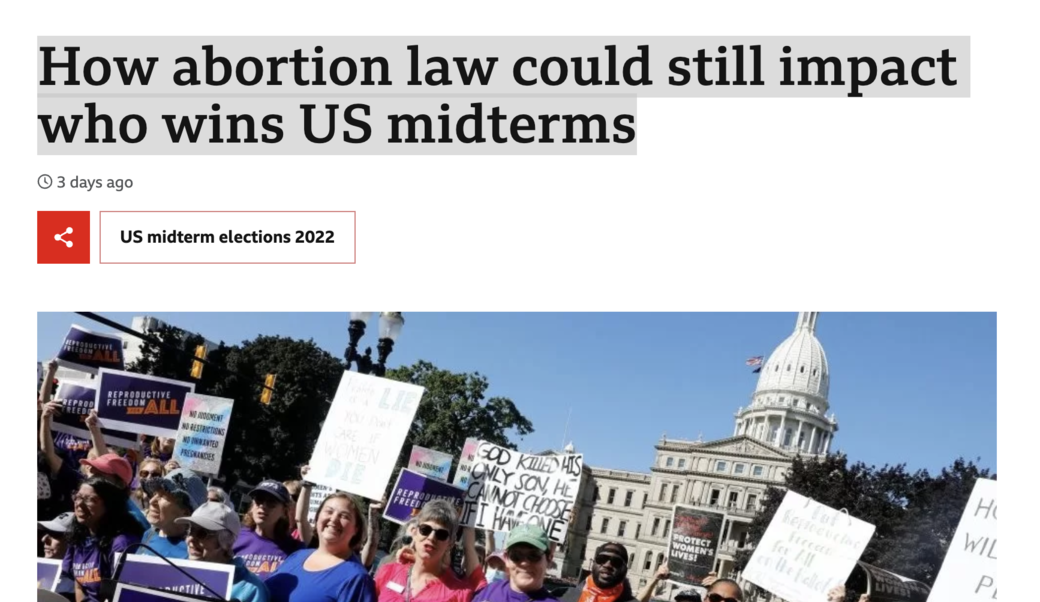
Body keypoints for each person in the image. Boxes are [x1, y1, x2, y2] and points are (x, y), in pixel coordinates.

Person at [265, 491, 378, 602]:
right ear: (317, 517)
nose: (333, 519)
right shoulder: (297, 556)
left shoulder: (357, 579)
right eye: (329, 511)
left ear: (356, 529)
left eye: (344, 516)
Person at [374, 499, 485, 602]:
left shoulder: (460, 593)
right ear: (414, 532)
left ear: (450, 543)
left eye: (441, 534)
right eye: (425, 529)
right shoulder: (388, 572)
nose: (431, 537)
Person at [61, 477, 144, 602]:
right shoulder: (79, 538)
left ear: (109, 506)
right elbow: (79, 587)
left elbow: (123, 595)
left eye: (89, 499)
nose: (79, 504)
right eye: (77, 497)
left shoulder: (121, 544)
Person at [177, 501, 271, 602]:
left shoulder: (251, 589)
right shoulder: (176, 571)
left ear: (226, 542)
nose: (190, 539)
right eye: (190, 531)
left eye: (202, 533)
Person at [234, 479, 305, 579]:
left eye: (271, 502)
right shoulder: (235, 538)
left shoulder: (294, 549)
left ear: (284, 511)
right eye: (259, 500)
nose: (263, 506)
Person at [471, 524, 558, 602]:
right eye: (516, 556)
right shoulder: (488, 592)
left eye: (534, 555)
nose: (524, 563)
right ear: (506, 559)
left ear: (549, 559)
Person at [138, 468, 208, 559]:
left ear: (186, 512)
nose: (152, 501)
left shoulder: (192, 551)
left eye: (163, 497)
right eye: (155, 493)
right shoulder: (149, 535)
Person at [79, 452, 151, 530]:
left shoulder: (133, 521)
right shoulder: (98, 509)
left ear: (120, 484)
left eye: (98, 476)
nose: (92, 481)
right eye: (91, 476)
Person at [559, 542, 635, 602]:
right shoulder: (563, 595)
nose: (607, 565)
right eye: (602, 559)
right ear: (594, 563)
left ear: (624, 570)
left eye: (616, 562)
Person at [39, 512, 76, 601]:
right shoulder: (39, 573)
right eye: (46, 533)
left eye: (55, 534)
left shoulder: (83, 582)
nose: (44, 539)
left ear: (74, 541)